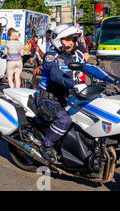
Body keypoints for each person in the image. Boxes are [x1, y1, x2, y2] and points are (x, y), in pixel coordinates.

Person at [37, 24, 89, 163]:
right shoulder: (51, 55)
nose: (71, 42)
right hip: (48, 98)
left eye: (73, 39)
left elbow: (90, 69)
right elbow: (56, 75)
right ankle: (46, 145)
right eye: (67, 39)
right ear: (58, 40)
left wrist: (112, 79)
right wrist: (75, 85)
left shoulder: (75, 55)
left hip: (66, 97)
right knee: (64, 120)